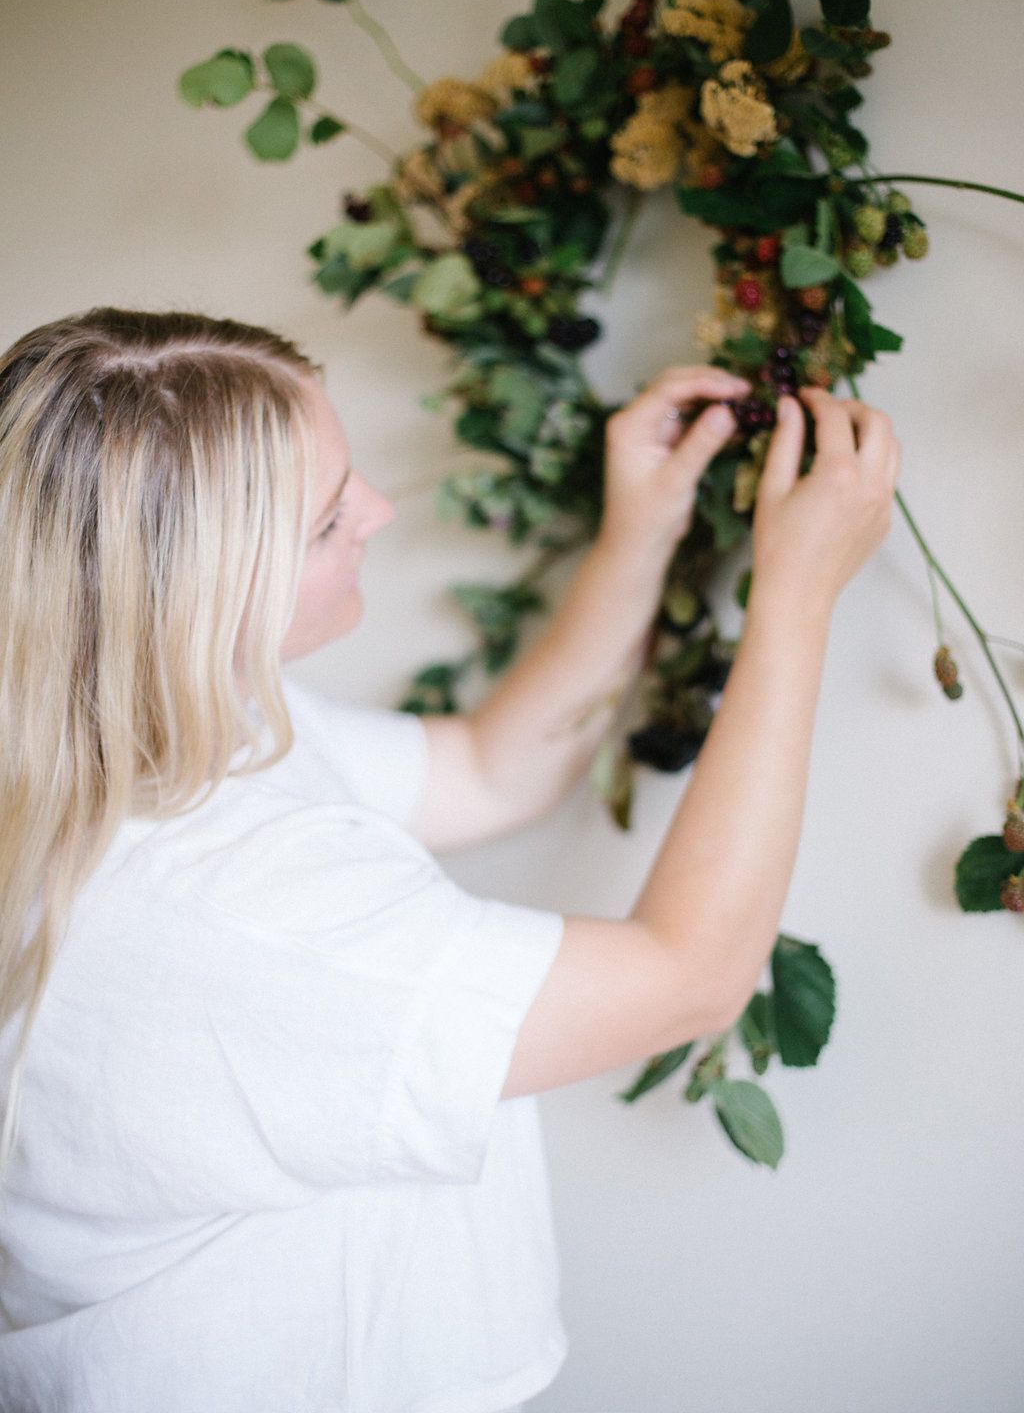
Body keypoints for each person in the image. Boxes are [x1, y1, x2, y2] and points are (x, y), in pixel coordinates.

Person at [0, 306, 900, 1412]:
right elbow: (689, 978)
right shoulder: (238, 906)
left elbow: (489, 769)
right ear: (203, 595)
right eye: (330, 519)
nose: (378, 511)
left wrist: (641, 530)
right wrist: (795, 598)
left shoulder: (157, 724)